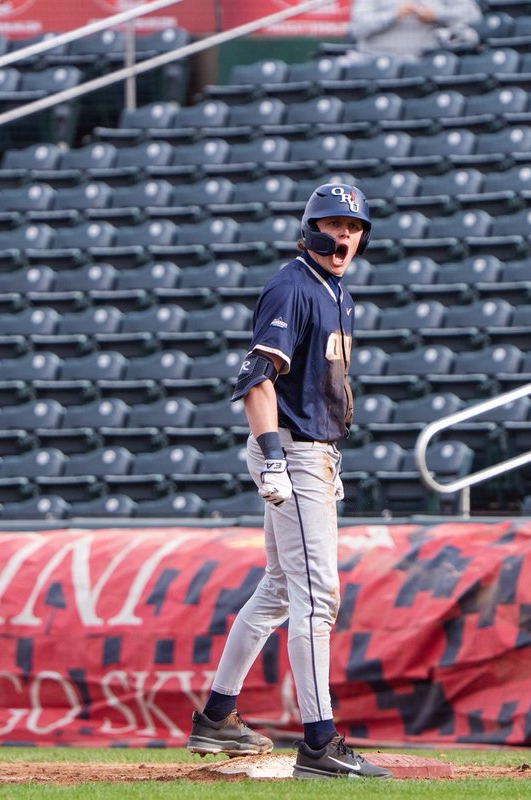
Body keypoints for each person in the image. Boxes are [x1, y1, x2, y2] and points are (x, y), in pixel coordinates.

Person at [185, 183, 390, 780]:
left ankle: (219, 715)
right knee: (316, 596)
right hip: (294, 452)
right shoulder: (294, 284)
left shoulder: (334, 288)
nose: (343, 235)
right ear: (309, 228)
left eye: (353, 227)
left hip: (313, 452)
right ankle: (319, 743)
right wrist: (274, 456)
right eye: (332, 223)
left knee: (279, 590)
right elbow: (257, 377)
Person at [348, 0, 483, 60]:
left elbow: (472, 16)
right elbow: (358, 28)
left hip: (427, 60)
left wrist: (436, 14)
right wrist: (393, 14)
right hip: (373, 58)